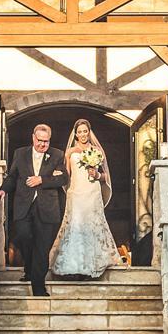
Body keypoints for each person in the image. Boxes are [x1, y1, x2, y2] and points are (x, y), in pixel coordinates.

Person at [0, 122, 68, 295]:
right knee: (23, 236)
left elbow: (63, 178)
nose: (42, 144)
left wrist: (42, 179)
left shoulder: (57, 155)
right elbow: (13, 176)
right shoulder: (20, 153)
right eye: (39, 140)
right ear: (33, 138)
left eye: (46, 141)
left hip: (48, 207)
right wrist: (3, 189)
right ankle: (29, 267)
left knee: (42, 247)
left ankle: (38, 287)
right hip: (23, 206)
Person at [51, 118, 118, 279]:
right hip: (76, 193)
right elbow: (66, 174)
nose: (82, 134)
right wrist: (57, 174)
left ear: (89, 132)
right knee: (75, 225)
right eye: (79, 131)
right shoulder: (70, 152)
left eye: (85, 131)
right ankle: (74, 265)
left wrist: (97, 175)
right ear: (75, 134)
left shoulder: (97, 150)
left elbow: (106, 176)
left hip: (92, 192)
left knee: (91, 226)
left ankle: (93, 264)